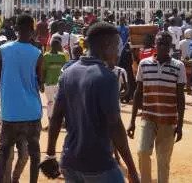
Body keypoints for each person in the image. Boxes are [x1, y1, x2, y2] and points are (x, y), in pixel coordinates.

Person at [46, 22, 140, 183]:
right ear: (106, 45)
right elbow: (115, 125)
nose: (117, 53)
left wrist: (50, 154)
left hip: (70, 163)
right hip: (98, 165)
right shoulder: (107, 77)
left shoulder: (67, 73)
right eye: (116, 46)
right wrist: (131, 169)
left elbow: (55, 117)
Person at [128, 31, 186, 183]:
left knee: (163, 160)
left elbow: (180, 97)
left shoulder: (178, 66)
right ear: (155, 44)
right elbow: (138, 92)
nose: (163, 47)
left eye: (166, 44)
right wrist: (132, 121)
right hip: (148, 117)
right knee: (142, 152)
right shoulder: (144, 64)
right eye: (160, 43)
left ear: (170, 46)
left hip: (168, 120)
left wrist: (180, 125)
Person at [0, 14, 43, 183]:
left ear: (16, 29)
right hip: (32, 111)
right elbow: (40, 82)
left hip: (10, 111)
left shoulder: (3, 50)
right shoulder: (37, 53)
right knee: (34, 154)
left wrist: (3, 88)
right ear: (32, 30)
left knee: (3, 152)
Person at [42, 36, 66, 122]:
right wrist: (42, 83)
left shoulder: (62, 56)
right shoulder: (46, 56)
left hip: (59, 83)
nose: (60, 47)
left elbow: (64, 69)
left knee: (58, 102)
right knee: (50, 102)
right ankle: (50, 120)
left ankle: (58, 120)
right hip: (49, 83)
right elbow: (43, 70)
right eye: (59, 45)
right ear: (54, 46)